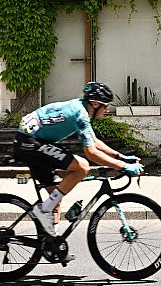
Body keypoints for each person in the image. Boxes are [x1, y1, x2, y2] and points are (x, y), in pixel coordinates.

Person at [13, 81, 143, 240]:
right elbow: (91, 153)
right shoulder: (80, 114)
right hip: (30, 141)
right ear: (95, 103)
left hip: (32, 140)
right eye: (105, 105)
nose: (107, 109)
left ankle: (50, 244)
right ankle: (43, 210)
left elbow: (93, 140)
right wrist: (123, 167)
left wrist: (120, 157)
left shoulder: (80, 109)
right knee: (82, 166)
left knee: (55, 199)